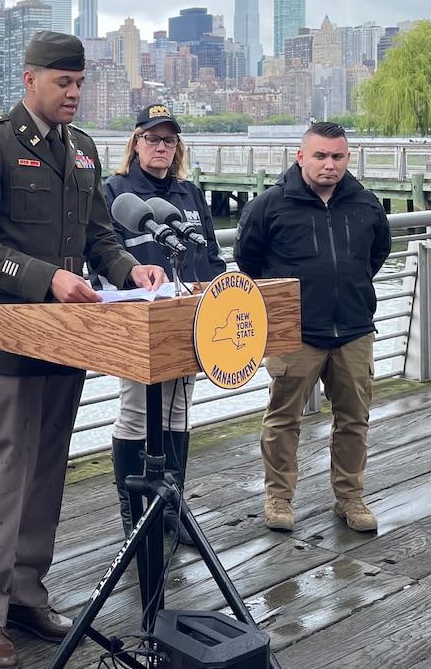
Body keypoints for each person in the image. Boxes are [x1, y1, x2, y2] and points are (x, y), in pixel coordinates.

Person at [0, 31, 166, 669]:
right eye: (62, 83)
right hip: (13, 331)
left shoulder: (82, 150)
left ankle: (27, 590)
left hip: (69, 334)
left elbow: (100, 234)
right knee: (6, 471)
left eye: (79, 83)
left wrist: (130, 269)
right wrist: (47, 277)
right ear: (29, 80)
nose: (74, 94)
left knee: (48, 469)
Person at [234, 121, 392, 535]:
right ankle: (279, 498)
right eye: (320, 156)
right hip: (294, 332)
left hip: (354, 330)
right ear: (301, 156)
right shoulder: (270, 206)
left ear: (348, 158)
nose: (329, 164)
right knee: (283, 419)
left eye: (337, 156)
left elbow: (378, 254)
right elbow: (249, 262)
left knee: (354, 419)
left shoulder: (366, 205)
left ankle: (350, 497)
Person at [103, 103, 226, 548]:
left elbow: (211, 257)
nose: (160, 146)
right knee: (137, 414)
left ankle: (170, 506)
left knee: (177, 411)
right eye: (152, 138)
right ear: (135, 143)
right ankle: (133, 512)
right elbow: (102, 257)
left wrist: (219, 297)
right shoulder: (115, 193)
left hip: (189, 320)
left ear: (178, 148)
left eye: (169, 140)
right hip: (138, 322)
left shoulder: (189, 194)